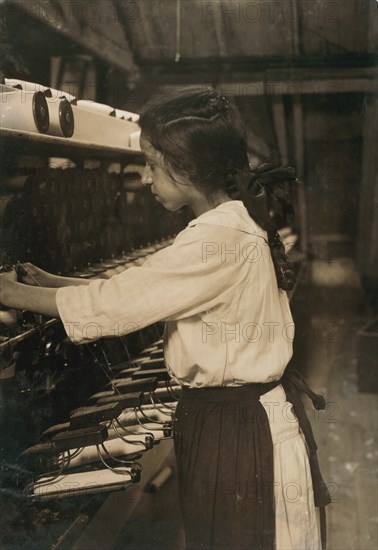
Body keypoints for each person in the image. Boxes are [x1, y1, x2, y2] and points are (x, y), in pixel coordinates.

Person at [0, 87, 330, 550]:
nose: (145, 178)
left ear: (187, 168)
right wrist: (48, 283)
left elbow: (117, 305)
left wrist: (10, 292)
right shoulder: (231, 222)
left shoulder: (215, 238)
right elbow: (138, 288)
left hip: (237, 431)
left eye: (152, 165)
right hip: (235, 421)